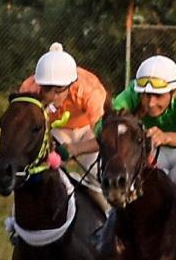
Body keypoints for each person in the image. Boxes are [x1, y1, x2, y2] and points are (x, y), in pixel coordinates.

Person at [110, 54, 176, 205]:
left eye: (158, 96)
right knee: (145, 181)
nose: (151, 103)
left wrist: (167, 137)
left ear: (174, 92)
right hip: (157, 147)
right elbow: (108, 120)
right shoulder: (133, 91)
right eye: (146, 96)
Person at [19, 43, 109, 211]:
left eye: (59, 89)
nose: (53, 95)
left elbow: (105, 137)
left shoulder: (90, 89)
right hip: (53, 131)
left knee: (97, 174)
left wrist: (75, 148)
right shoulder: (29, 89)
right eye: (47, 88)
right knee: (35, 173)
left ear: (70, 83)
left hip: (88, 131)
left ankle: (108, 221)